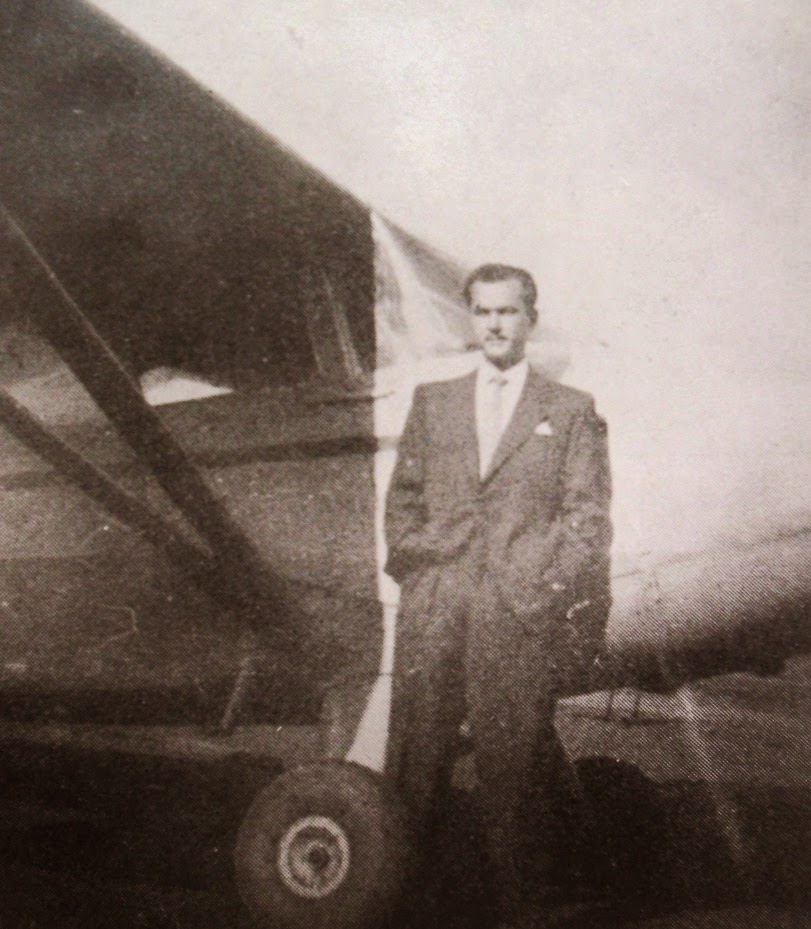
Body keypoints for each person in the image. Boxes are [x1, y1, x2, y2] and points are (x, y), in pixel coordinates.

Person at [384, 263, 612, 926]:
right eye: (482, 312)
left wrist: (539, 587)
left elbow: (588, 520)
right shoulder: (434, 402)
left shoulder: (569, 410)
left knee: (512, 773)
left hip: (516, 613)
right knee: (417, 765)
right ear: (471, 318)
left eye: (507, 312)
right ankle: (406, 907)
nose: (494, 325)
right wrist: (422, 570)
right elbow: (401, 505)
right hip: (436, 609)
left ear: (529, 320)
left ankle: (520, 908)